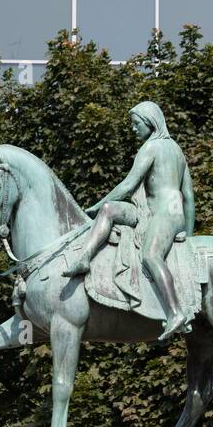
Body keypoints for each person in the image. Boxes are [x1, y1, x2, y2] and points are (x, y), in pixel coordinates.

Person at [62, 101, 195, 341]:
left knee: (151, 255)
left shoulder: (152, 147)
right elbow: (189, 198)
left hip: (165, 214)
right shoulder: (178, 151)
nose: (133, 129)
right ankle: (84, 258)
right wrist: (188, 229)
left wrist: (93, 205)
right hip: (151, 213)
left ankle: (175, 312)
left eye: (136, 124)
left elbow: (128, 185)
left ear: (150, 122)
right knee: (110, 209)